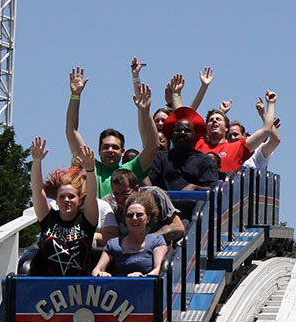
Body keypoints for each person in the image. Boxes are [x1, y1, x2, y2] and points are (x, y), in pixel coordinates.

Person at [65, 64, 158, 197]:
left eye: (115, 147)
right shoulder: (90, 166)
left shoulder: (130, 170)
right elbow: (71, 131)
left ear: (122, 152)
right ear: (98, 150)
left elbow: (153, 145)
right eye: (106, 147)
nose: (110, 150)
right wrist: (75, 95)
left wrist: (146, 112)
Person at [30, 137, 98, 277]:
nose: (67, 200)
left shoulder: (87, 220)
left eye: (71, 197)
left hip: (79, 289)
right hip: (50, 287)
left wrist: (90, 170)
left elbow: (91, 196)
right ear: (56, 200)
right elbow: (37, 191)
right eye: (62, 197)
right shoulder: (48, 218)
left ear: (79, 201)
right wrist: (37, 162)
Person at [194, 91, 277, 172]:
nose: (214, 121)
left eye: (218, 119)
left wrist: (271, 103)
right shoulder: (198, 144)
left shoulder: (236, 149)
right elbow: (184, 118)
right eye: (211, 120)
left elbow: (266, 129)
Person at [92, 191, 168, 277]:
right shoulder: (113, 244)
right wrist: (101, 274)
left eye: (139, 215)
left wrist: (142, 277)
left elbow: (157, 270)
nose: (134, 218)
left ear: (148, 218)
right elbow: (96, 270)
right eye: (130, 215)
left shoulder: (156, 241)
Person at [144, 107, 219, 191]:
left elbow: (213, 189)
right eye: (178, 130)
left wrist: (195, 187)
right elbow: (148, 182)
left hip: (197, 203)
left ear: (194, 134)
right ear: (172, 134)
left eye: (187, 130)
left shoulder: (205, 160)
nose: (182, 133)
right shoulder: (160, 158)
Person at [103, 169, 185, 243]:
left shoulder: (155, 196)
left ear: (136, 190)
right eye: (116, 194)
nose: (120, 199)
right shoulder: (109, 203)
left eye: (125, 193)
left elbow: (179, 227)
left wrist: (148, 241)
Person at [227, 100, 281, 170]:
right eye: (229, 136)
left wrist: (263, 115)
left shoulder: (257, 152)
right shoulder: (224, 153)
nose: (232, 138)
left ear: (244, 136)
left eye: (235, 135)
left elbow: (275, 141)